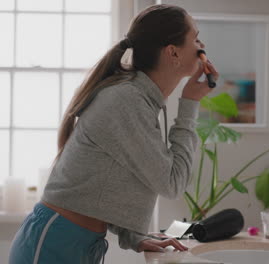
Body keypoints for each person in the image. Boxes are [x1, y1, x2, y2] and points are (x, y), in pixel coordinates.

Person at [9, 4, 217, 264]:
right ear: (173, 53)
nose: (202, 45)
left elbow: (109, 178)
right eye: (195, 37)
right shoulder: (127, 100)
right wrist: (189, 103)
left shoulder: (139, 99)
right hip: (56, 241)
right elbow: (172, 183)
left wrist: (134, 236)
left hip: (77, 242)